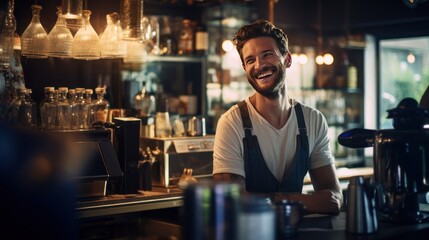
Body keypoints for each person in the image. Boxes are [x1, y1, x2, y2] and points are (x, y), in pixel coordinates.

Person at [212, 19, 343, 214]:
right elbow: (230, 201)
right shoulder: (232, 123)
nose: (259, 65)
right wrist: (303, 201)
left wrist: (267, 199)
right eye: (250, 60)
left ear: (287, 59)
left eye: (267, 55)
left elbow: (334, 197)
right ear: (245, 69)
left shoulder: (313, 120)